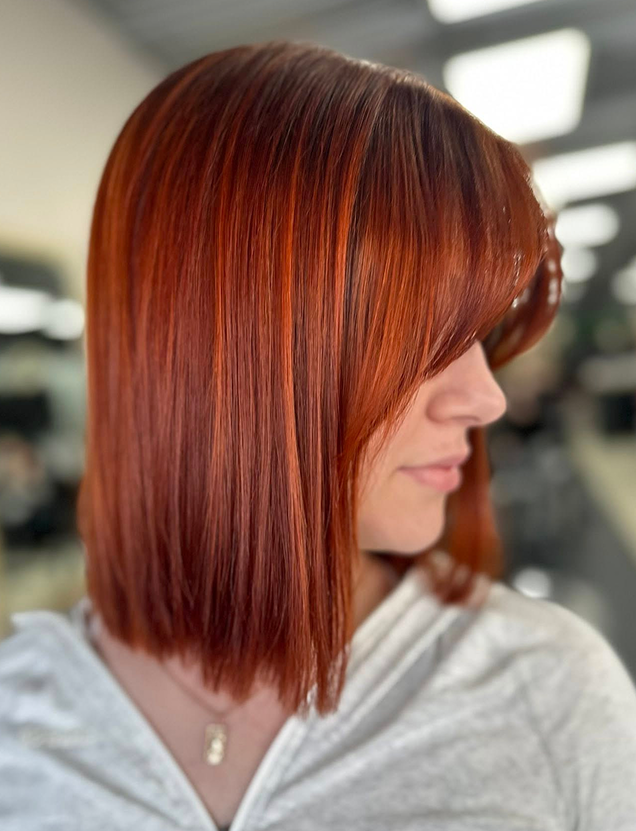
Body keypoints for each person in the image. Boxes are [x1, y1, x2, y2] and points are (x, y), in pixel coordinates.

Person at [2, 39, 636, 831]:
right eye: (420, 341)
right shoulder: (20, 721)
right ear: (223, 351)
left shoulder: (549, 689)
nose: (486, 399)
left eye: (478, 336)